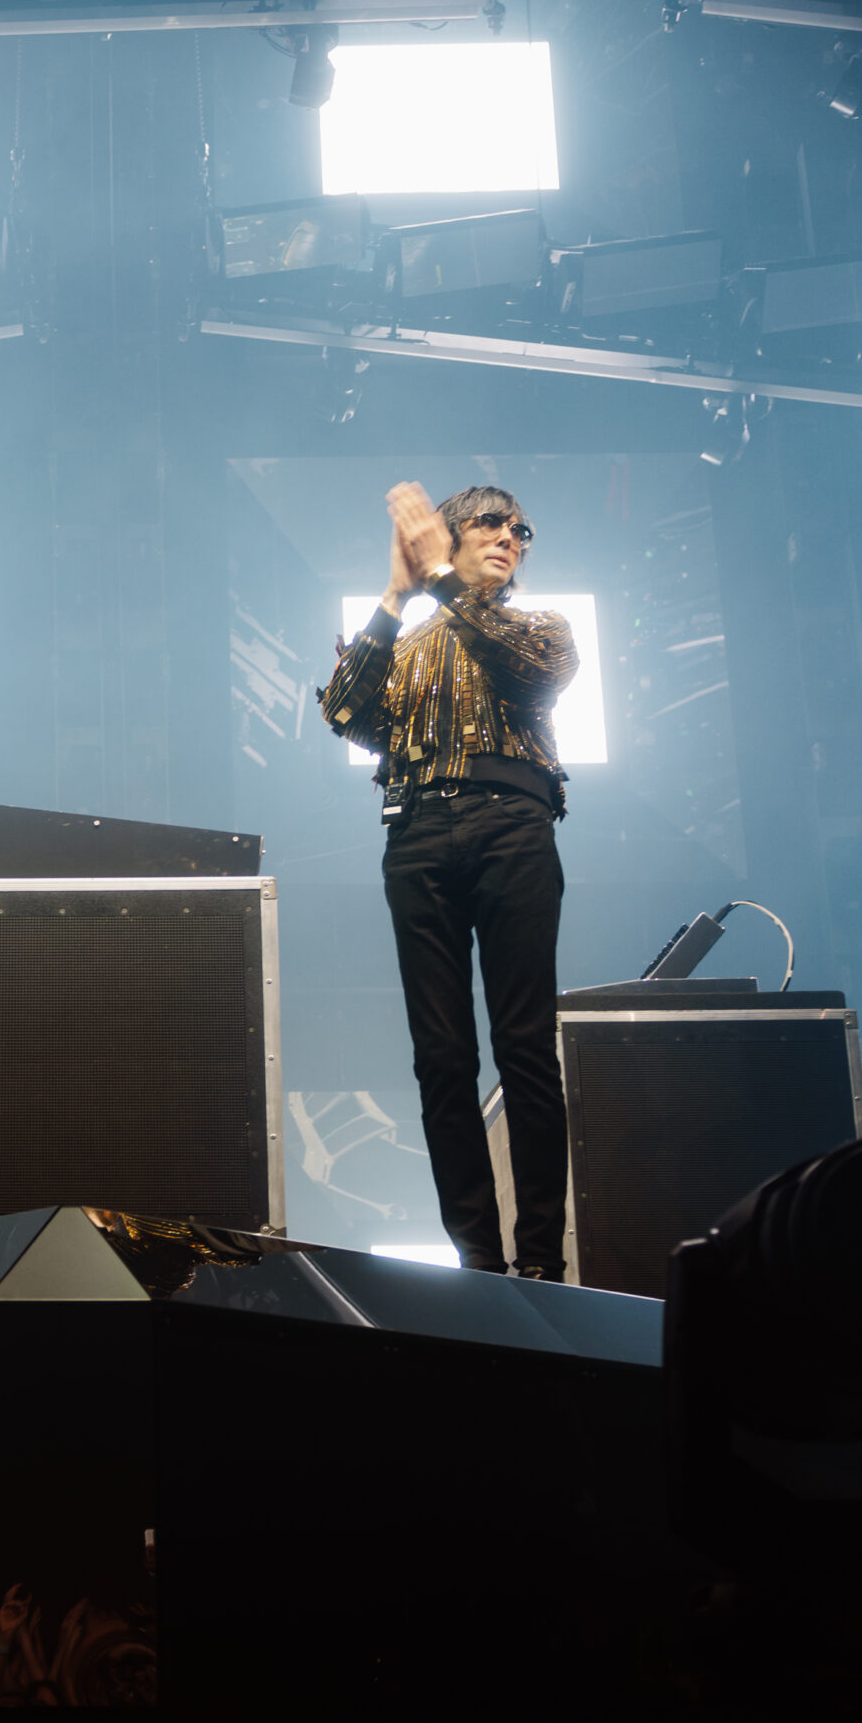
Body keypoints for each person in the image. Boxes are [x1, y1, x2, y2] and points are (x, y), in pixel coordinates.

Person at [318, 483, 579, 1280]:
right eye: (490, 523)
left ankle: (541, 1259)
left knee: (525, 1046)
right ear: (451, 534)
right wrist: (396, 593)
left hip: (512, 827)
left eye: (521, 529)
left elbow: (531, 674)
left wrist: (439, 580)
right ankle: (480, 1263)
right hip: (418, 835)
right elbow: (344, 713)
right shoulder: (405, 642)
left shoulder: (539, 627)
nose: (511, 536)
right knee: (441, 1058)